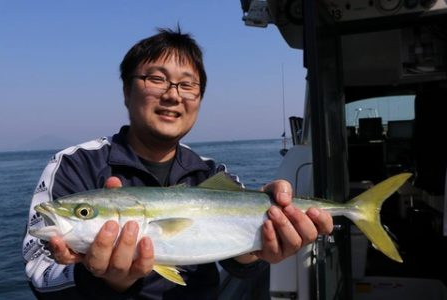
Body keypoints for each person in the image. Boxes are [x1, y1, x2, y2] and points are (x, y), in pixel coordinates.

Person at [23, 27, 333, 299]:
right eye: (157, 79)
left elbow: (240, 266)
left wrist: (257, 252)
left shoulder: (212, 174)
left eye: (187, 85)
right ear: (126, 91)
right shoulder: (76, 164)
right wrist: (102, 282)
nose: (173, 96)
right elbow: (38, 272)